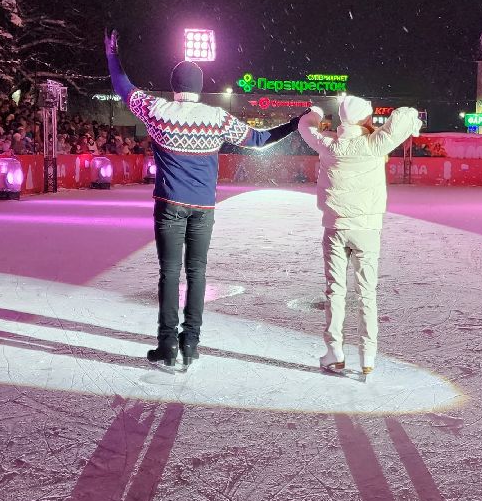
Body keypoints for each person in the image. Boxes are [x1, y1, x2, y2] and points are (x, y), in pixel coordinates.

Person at [105, 29, 302, 372]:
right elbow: (260, 140)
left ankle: (166, 343)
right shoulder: (217, 118)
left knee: (169, 274)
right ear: (199, 86)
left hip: (169, 205)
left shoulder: (157, 111)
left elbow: (123, 87)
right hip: (204, 210)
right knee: (197, 273)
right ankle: (191, 342)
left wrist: (112, 56)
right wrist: (295, 125)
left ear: (173, 84)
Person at [298, 95, 422, 377]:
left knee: (335, 291)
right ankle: (367, 355)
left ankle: (335, 351)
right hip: (367, 229)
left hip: (335, 227)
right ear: (365, 118)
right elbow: (404, 114)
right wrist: (406, 121)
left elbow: (305, 126)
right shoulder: (374, 143)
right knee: (366, 293)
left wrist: (316, 112)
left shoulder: (329, 144)